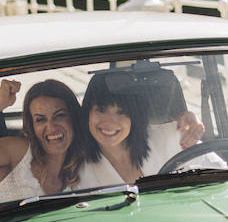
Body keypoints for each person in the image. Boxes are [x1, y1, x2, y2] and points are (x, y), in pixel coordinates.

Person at [0, 78, 86, 203]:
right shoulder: (18, 152)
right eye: (40, 119)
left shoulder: (86, 164)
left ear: (73, 118)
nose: (51, 127)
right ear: (31, 126)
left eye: (59, 115)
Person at [78, 69, 206, 187]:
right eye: (101, 110)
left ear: (135, 117)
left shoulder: (173, 137)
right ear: (88, 112)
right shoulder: (76, 172)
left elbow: (220, 172)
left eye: (122, 112)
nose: (109, 122)